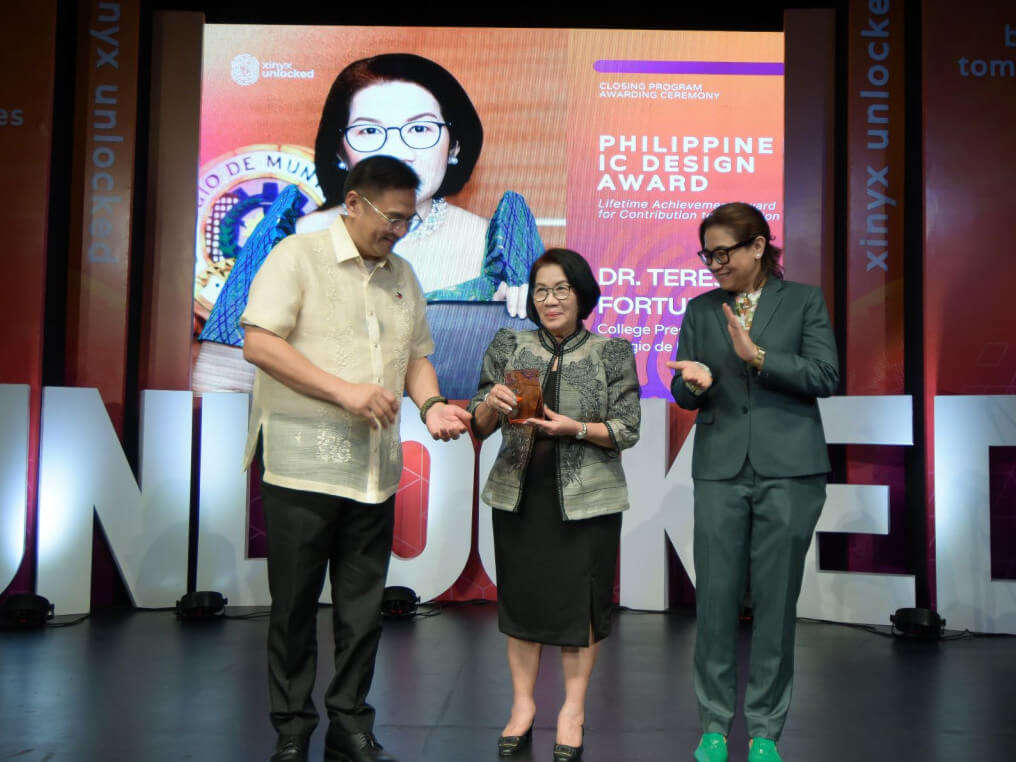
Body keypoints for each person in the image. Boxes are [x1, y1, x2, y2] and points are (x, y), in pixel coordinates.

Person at [240, 156, 472, 762]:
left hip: (374, 470)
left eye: (407, 220)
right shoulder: (299, 257)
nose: (397, 230)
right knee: (292, 607)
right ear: (354, 203)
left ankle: (351, 724)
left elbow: (416, 355)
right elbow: (259, 341)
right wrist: (343, 391)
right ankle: (292, 729)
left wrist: (433, 404)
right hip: (302, 466)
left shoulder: (404, 275)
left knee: (363, 611)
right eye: (391, 217)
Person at [195, 53, 543, 398]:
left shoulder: (502, 246)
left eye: (420, 128)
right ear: (340, 153)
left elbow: (534, 394)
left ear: (454, 146)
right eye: (369, 131)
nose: (395, 151)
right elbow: (220, 386)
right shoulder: (292, 240)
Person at [666, 203, 839, 762]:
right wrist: (692, 384)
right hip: (719, 468)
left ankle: (765, 729)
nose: (715, 265)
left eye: (725, 253)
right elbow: (685, 390)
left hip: (790, 469)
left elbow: (825, 375)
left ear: (759, 246)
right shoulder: (700, 310)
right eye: (708, 255)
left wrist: (758, 355)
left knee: (775, 602)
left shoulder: (804, 301)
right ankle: (714, 724)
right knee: (714, 600)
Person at [469, 249, 641, 762]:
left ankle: (572, 711)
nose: (550, 300)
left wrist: (575, 429)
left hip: (588, 501)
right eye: (541, 290)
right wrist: (487, 407)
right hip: (518, 495)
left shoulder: (612, 351)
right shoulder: (509, 343)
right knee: (521, 605)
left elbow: (627, 429)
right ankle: (522, 708)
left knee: (577, 610)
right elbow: (479, 423)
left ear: (582, 292)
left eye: (561, 289)